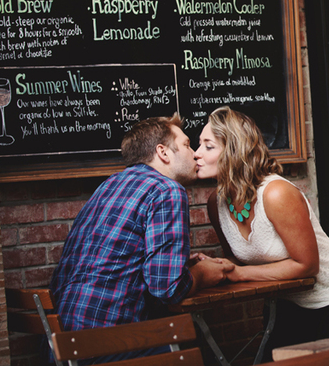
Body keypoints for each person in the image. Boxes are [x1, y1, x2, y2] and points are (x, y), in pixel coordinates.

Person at [49, 114, 234, 362]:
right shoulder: (166, 190)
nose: (195, 154)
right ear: (163, 153)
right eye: (187, 145)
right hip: (106, 345)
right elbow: (167, 289)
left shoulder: (110, 184)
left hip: (61, 344)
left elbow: (117, 262)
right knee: (200, 350)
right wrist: (202, 273)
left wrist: (183, 265)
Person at [195, 106, 329, 360]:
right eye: (197, 145)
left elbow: (307, 265)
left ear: (234, 150)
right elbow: (242, 260)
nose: (196, 154)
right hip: (288, 302)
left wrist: (238, 273)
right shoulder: (216, 204)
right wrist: (216, 266)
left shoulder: (276, 193)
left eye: (208, 146)